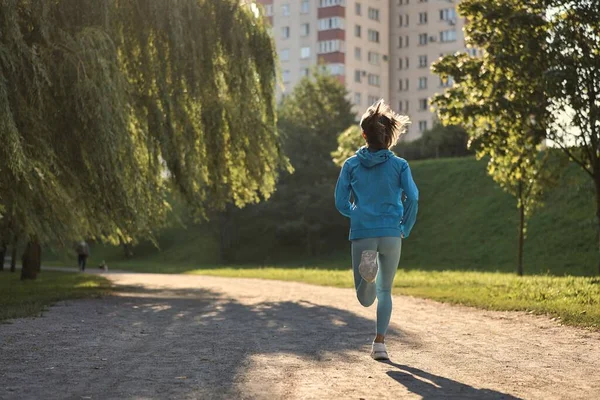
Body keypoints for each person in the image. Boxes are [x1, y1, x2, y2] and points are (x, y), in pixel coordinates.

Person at [335, 99, 419, 361]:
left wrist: (357, 213)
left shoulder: (350, 164)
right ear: (387, 135)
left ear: (364, 135)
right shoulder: (400, 165)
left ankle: (367, 278)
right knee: (386, 292)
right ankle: (380, 344)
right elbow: (413, 197)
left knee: (364, 298)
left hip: (363, 233)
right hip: (392, 233)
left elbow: (340, 201)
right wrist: (405, 225)